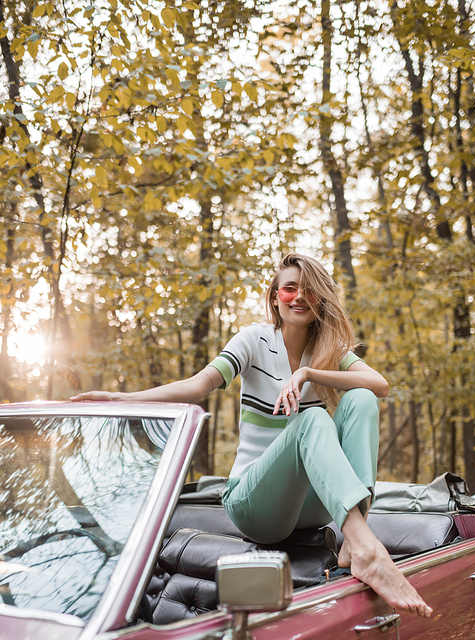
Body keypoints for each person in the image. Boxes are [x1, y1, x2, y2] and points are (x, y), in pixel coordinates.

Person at [71, 253, 432, 617]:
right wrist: (123, 398)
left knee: (361, 399)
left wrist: (308, 374)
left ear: (321, 299)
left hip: (313, 507)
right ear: (275, 296)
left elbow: (379, 385)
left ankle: (356, 543)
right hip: (255, 504)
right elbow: (197, 386)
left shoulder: (328, 353)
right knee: (313, 422)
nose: (299, 297)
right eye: (290, 288)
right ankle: (369, 551)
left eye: (310, 290)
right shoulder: (255, 340)